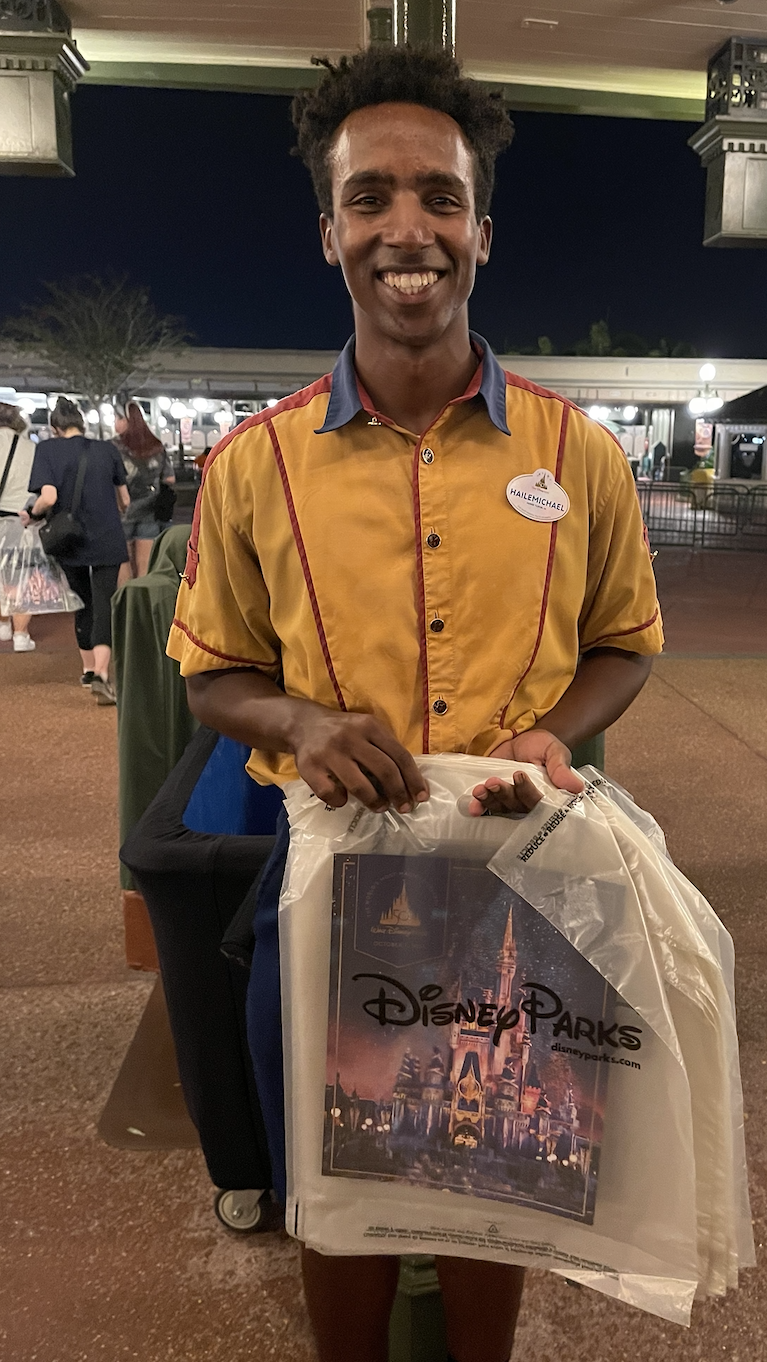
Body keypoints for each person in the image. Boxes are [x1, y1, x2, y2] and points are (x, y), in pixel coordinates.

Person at [167, 47, 662, 1362]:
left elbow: (625, 640)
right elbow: (212, 669)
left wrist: (562, 725)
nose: (407, 229)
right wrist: (301, 726)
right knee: (338, 1200)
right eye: (371, 196)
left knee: (500, 1191)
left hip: (524, 874)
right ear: (329, 227)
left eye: (437, 198)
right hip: (329, 886)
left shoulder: (580, 457)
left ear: (480, 232)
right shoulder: (252, 465)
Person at [27, 396, 129, 704]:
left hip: (69, 538)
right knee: (104, 604)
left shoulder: (46, 450)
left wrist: (32, 514)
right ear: (82, 424)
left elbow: (48, 496)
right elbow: (124, 499)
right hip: (108, 536)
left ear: (54, 426)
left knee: (81, 602)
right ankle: (102, 671)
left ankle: (87, 669)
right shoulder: (107, 449)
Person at [113, 400, 176, 582]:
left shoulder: (114, 447)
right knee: (145, 564)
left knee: (123, 562)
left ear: (126, 421)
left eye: (117, 419)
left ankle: (125, 603)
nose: (115, 423)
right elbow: (170, 478)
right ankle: (142, 604)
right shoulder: (155, 445)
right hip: (150, 511)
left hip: (121, 511)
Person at [0, 402, 38, 652]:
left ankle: (3, 623)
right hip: (20, 518)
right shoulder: (31, 448)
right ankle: (21, 634)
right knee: (21, 574)